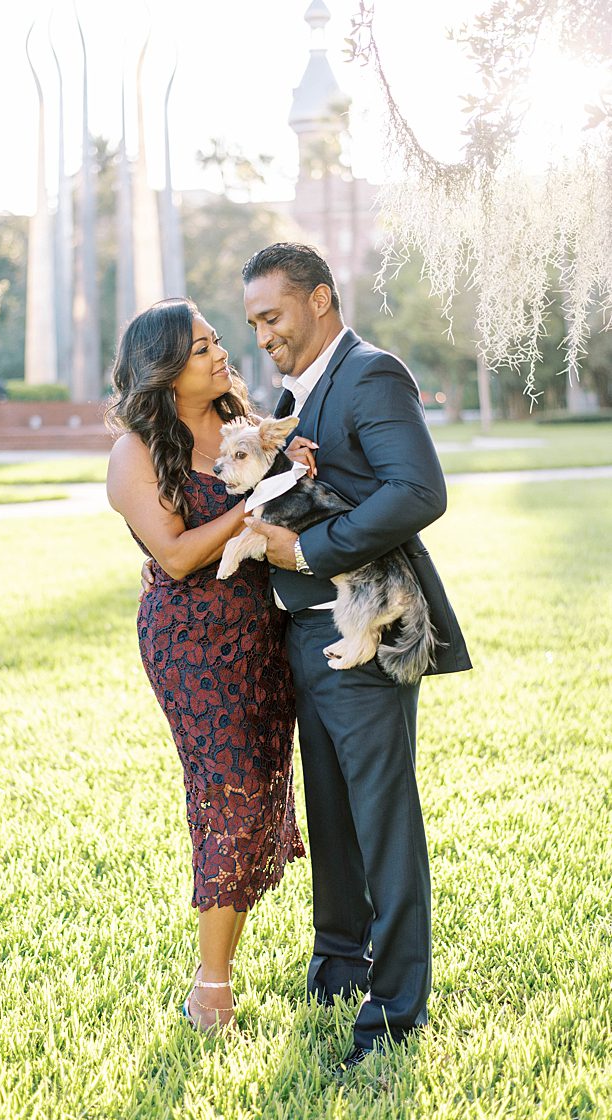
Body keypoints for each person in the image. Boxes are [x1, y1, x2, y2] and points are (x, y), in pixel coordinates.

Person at [239, 242, 471, 1074]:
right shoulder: (294, 392)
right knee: (332, 818)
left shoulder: (370, 375)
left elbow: (418, 492)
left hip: (366, 632)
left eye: (273, 316)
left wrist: (304, 556)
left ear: (321, 300)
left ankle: (396, 1013)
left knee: (382, 824)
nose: (263, 336)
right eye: (254, 322)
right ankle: (338, 972)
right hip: (305, 635)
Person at [104, 297, 305, 1034]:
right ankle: (211, 985)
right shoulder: (133, 452)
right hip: (190, 641)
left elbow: (292, 495)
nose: (220, 354)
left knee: (258, 787)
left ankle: (223, 965)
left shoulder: (238, 420)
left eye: (216, 341)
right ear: (163, 371)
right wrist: (259, 508)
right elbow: (181, 554)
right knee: (231, 792)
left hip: (265, 630)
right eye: (199, 350)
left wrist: (296, 474)